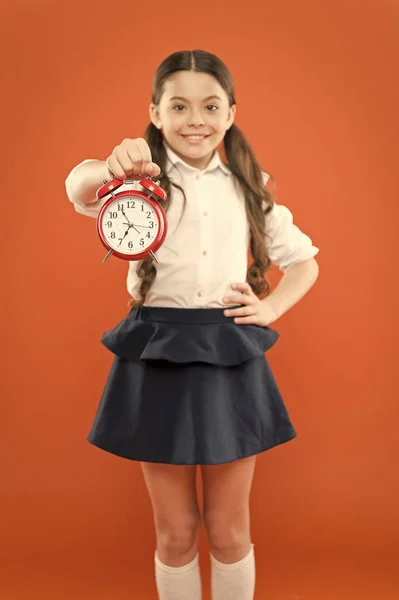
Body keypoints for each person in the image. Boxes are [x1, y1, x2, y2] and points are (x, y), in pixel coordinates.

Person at [65, 49, 320, 600]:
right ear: (155, 113)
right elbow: (78, 187)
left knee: (229, 531)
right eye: (178, 106)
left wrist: (271, 309)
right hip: (157, 351)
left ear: (230, 113)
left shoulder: (250, 188)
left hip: (229, 353)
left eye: (210, 105)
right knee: (175, 533)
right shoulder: (137, 179)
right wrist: (109, 164)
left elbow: (305, 262)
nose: (195, 119)